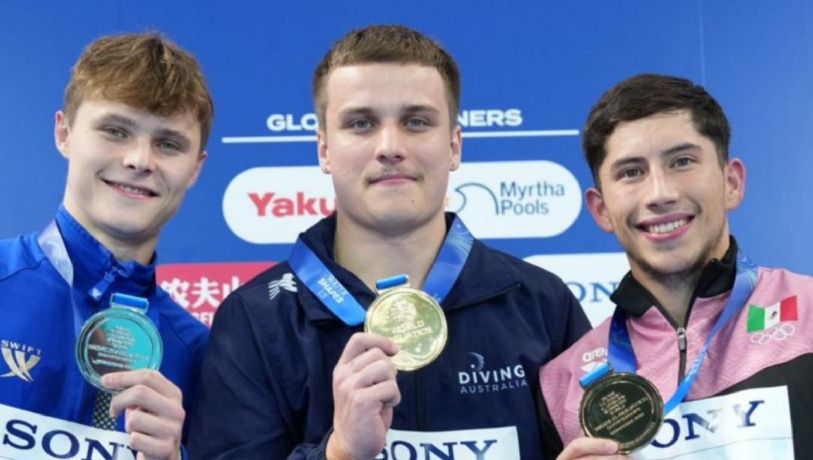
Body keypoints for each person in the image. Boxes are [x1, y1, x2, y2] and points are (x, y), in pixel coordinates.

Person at [190, 24, 589, 459]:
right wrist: (339, 452)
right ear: (324, 150)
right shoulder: (255, 320)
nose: (390, 147)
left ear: (454, 145)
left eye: (416, 122)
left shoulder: (543, 305)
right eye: (361, 124)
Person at [538, 74, 813, 459]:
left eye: (682, 162)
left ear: (731, 182)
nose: (660, 194)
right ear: (601, 210)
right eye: (631, 172)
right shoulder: (562, 386)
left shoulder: (808, 314)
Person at [0, 33, 213, 459]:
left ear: (195, 169)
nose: (140, 160)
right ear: (64, 133)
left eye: (168, 144)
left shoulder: (199, 353)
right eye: (115, 131)